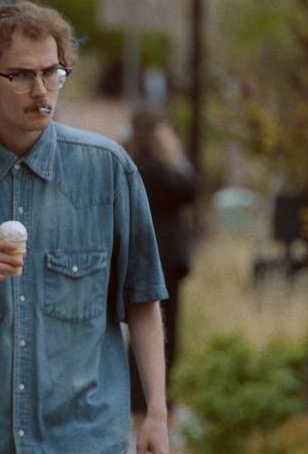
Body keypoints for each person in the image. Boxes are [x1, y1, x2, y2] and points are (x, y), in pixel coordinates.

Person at [0, 0, 171, 454]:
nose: (41, 90)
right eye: (20, 75)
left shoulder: (108, 169)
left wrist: (156, 413)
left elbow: (142, 297)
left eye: (52, 73)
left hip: (84, 439)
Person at [124, 105, 199, 415]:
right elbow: (190, 189)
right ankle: (153, 400)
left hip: (149, 256)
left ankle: (144, 399)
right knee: (161, 330)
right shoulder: (153, 167)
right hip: (162, 259)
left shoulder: (134, 164)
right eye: (166, 130)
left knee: (148, 324)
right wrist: (176, 156)